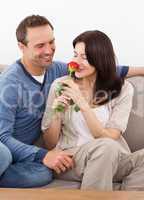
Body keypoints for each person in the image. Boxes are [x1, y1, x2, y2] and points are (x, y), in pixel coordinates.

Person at [0, 14, 140, 188]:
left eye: (51, 42)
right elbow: (3, 136)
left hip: (108, 155)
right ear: (22, 47)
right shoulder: (11, 83)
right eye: (40, 45)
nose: (49, 50)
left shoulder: (55, 68)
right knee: (4, 156)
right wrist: (44, 153)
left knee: (43, 174)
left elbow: (101, 67)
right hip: (12, 148)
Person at [42, 30, 144, 191]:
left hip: (115, 158)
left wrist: (81, 102)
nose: (77, 61)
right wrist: (56, 113)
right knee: (105, 148)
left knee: (109, 148)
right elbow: (50, 143)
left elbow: (110, 136)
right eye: (75, 55)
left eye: (84, 57)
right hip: (73, 159)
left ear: (101, 59)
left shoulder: (123, 89)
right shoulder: (61, 85)